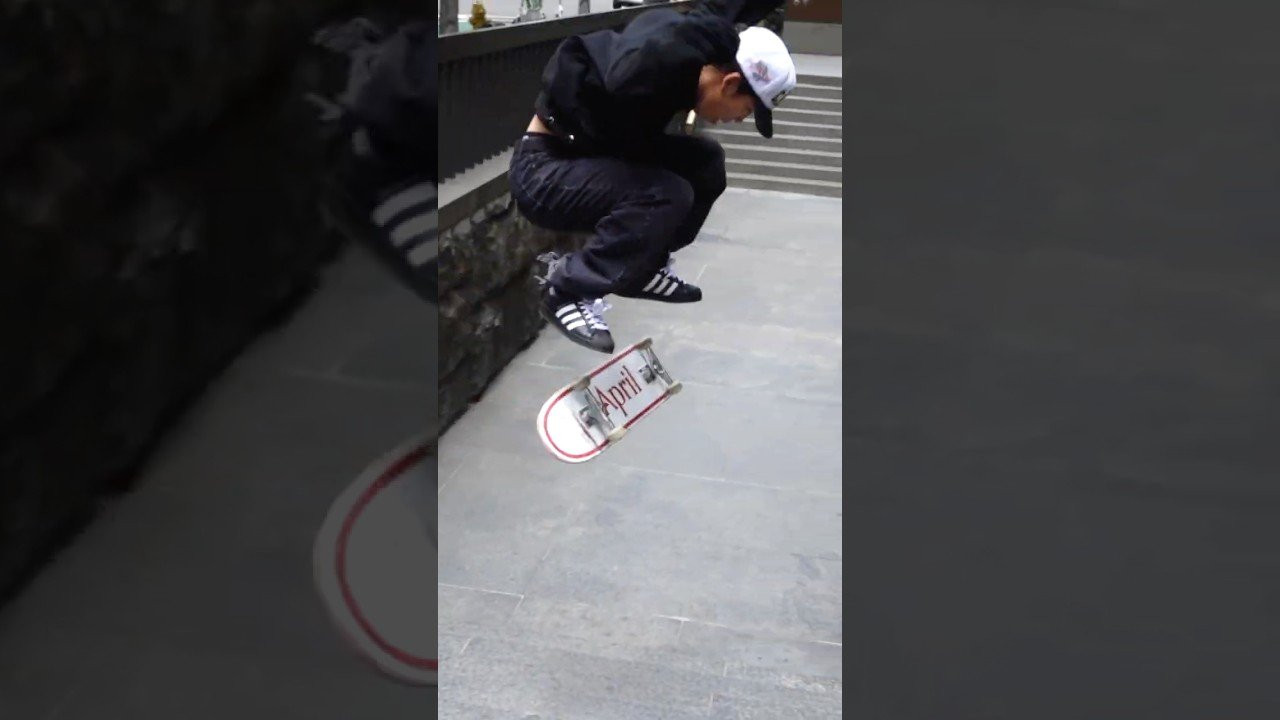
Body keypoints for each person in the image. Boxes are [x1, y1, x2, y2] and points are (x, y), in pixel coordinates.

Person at [509, 0, 798, 353]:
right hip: (544, 172)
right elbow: (630, 69)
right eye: (746, 110)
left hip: (589, 156)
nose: (739, 119)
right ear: (730, 83)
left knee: (706, 163)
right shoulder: (657, 63)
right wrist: (683, 44)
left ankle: (642, 268)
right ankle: (567, 291)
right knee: (665, 193)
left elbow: (724, 6)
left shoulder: (701, 48)